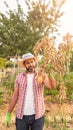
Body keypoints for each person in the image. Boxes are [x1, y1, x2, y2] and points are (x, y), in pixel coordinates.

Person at [6, 53, 56, 130]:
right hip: (21, 116)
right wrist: (9, 113)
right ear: (24, 65)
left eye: (32, 61)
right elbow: (15, 96)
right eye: (28, 63)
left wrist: (50, 73)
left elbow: (52, 87)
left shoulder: (41, 76)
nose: (30, 64)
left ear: (35, 62)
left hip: (38, 116)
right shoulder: (19, 77)